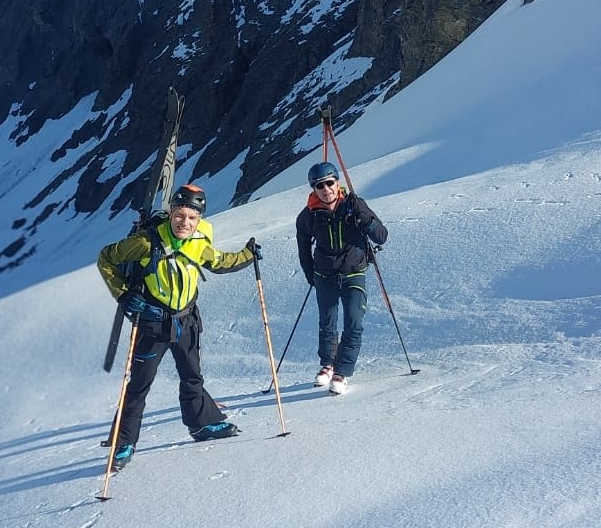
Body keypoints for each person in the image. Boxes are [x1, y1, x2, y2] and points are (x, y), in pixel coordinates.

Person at [97, 182, 258, 469]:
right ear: (171, 213)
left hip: (187, 320)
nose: (185, 223)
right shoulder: (146, 242)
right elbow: (106, 258)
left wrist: (248, 255)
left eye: (192, 218)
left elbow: (221, 261)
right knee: (139, 385)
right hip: (152, 324)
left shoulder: (198, 242)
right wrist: (123, 294)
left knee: (192, 376)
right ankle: (124, 444)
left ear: (200, 219)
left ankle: (202, 425)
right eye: (180, 215)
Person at [295, 162, 387, 395]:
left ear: (338, 183)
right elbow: (303, 249)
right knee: (327, 321)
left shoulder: (355, 205)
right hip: (324, 275)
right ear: (313, 189)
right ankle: (327, 364)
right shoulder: (307, 217)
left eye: (329, 183)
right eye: (319, 186)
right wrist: (310, 275)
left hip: (354, 271)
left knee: (354, 321)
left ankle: (342, 371)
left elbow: (381, 236)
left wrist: (363, 215)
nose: (326, 189)